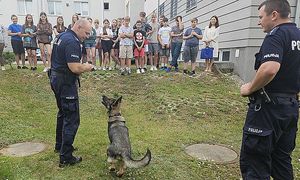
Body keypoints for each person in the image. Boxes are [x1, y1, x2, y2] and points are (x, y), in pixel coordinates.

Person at [240, 0, 300, 179]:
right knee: (281, 160)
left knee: (255, 162)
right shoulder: (298, 35)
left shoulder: (276, 35)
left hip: (268, 110)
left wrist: (249, 88)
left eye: (261, 17)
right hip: (290, 108)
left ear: (274, 15)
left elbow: (269, 68)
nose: (259, 22)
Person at [49, 19, 94, 167]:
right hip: (65, 82)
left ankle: (60, 146)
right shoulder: (72, 41)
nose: (87, 36)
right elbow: (75, 68)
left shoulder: (61, 36)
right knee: (72, 118)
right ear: (78, 27)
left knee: (63, 113)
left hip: (56, 78)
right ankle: (66, 157)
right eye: (86, 33)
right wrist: (87, 67)